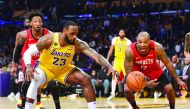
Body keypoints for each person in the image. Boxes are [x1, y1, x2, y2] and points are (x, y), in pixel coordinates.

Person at [23, 21, 116, 109]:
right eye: (72, 33)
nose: (74, 36)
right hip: (46, 69)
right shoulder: (48, 39)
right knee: (35, 78)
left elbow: (96, 55)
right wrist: (28, 66)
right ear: (64, 31)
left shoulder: (77, 43)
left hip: (63, 69)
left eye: (76, 34)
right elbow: (28, 53)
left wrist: (109, 66)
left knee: (86, 79)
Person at [124, 31, 187, 109]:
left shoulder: (157, 47)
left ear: (149, 41)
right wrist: (145, 83)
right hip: (136, 73)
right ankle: (135, 107)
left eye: (145, 42)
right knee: (127, 90)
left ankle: (172, 108)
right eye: (140, 42)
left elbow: (167, 63)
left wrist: (178, 80)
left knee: (169, 89)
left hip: (153, 70)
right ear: (136, 41)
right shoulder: (129, 50)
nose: (142, 45)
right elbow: (128, 72)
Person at [12, 13, 60, 109]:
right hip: (29, 59)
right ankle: (23, 101)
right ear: (30, 24)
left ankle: (46, 105)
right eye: (35, 21)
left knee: (52, 84)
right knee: (29, 79)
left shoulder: (49, 34)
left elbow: (58, 47)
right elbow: (17, 49)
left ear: (42, 23)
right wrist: (14, 64)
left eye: (39, 21)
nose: (38, 23)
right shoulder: (23, 35)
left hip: (43, 60)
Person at [106, 29, 131, 100]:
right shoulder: (115, 40)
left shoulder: (128, 41)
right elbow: (111, 50)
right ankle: (112, 93)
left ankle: (129, 92)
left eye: (122, 32)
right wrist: (107, 59)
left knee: (127, 77)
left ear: (124, 33)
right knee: (114, 76)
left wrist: (129, 61)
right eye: (120, 32)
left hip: (124, 60)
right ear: (119, 33)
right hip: (117, 60)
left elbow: (129, 52)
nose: (121, 33)